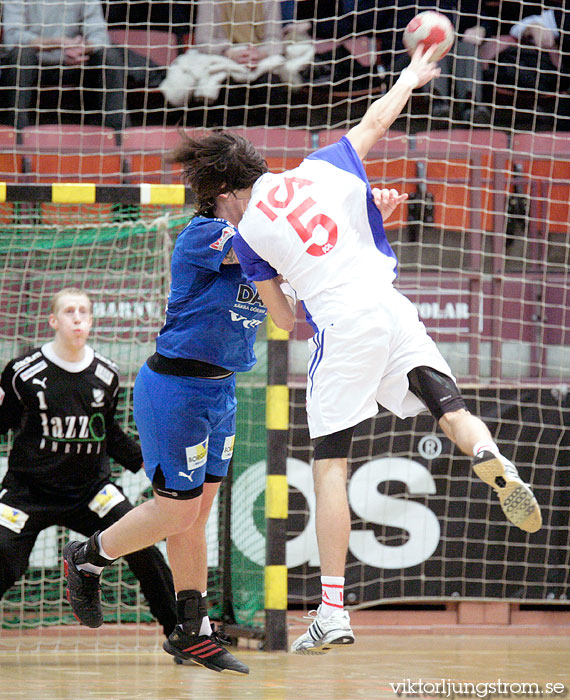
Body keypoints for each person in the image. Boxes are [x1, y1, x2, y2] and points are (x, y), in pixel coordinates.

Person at [230, 44, 543, 654]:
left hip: (342, 324)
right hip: (390, 303)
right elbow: (376, 120)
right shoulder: (319, 168)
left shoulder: (245, 234)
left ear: (230, 190)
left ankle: (333, 611)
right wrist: (411, 74)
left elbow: (289, 321)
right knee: (447, 406)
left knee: (329, 464)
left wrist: (289, 277)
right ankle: (490, 454)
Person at [63, 133, 295, 675]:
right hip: (176, 389)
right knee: (175, 509)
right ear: (222, 192)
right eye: (250, 190)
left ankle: (192, 630)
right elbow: (264, 250)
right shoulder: (204, 234)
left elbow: (288, 277)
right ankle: (88, 558)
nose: (259, 199)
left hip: (222, 391)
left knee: (196, 515)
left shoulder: (251, 237)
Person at [0, 288, 177, 639]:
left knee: (144, 547)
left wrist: (146, 462)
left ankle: (180, 633)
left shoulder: (106, 374)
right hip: (28, 491)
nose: (77, 317)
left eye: (84, 311)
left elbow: (107, 432)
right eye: (69, 311)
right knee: (2, 552)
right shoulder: (22, 372)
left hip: (90, 491)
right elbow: (4, 422)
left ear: (92, 320)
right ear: (54, 320)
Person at [1, 0, 130, 135]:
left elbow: (100, 35)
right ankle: (16, 135)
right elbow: (12, 37)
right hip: (33, 65)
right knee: (21, 56)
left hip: (74, 63)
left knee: (109, 56)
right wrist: (55, 43)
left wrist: (83, 48)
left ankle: (119, 136)